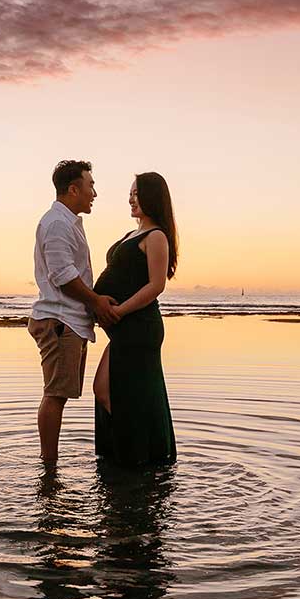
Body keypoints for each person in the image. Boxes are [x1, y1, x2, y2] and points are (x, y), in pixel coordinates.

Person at [29, 160, 120, 463]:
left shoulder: (66, 222)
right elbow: (63, 275)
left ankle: (49, 463)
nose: (94, 192)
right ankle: (48, 466)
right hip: (60, 320)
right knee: (55, 394)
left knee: (58, 394)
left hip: (67, 320)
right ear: (73, 189)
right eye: (90, 185)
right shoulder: (57, 223)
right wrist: (96, 302)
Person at [92, 172, 178, 466]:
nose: (131, 198)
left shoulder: (156, 236)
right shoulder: (131, 235)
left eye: (137, 193)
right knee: (116, 391)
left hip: (140, 327)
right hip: (124, 328)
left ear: (152, 197)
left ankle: (139, 452)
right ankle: (132, 450)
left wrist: (119, 310)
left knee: (106, 389)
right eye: (130, 193)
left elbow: (156, 285)